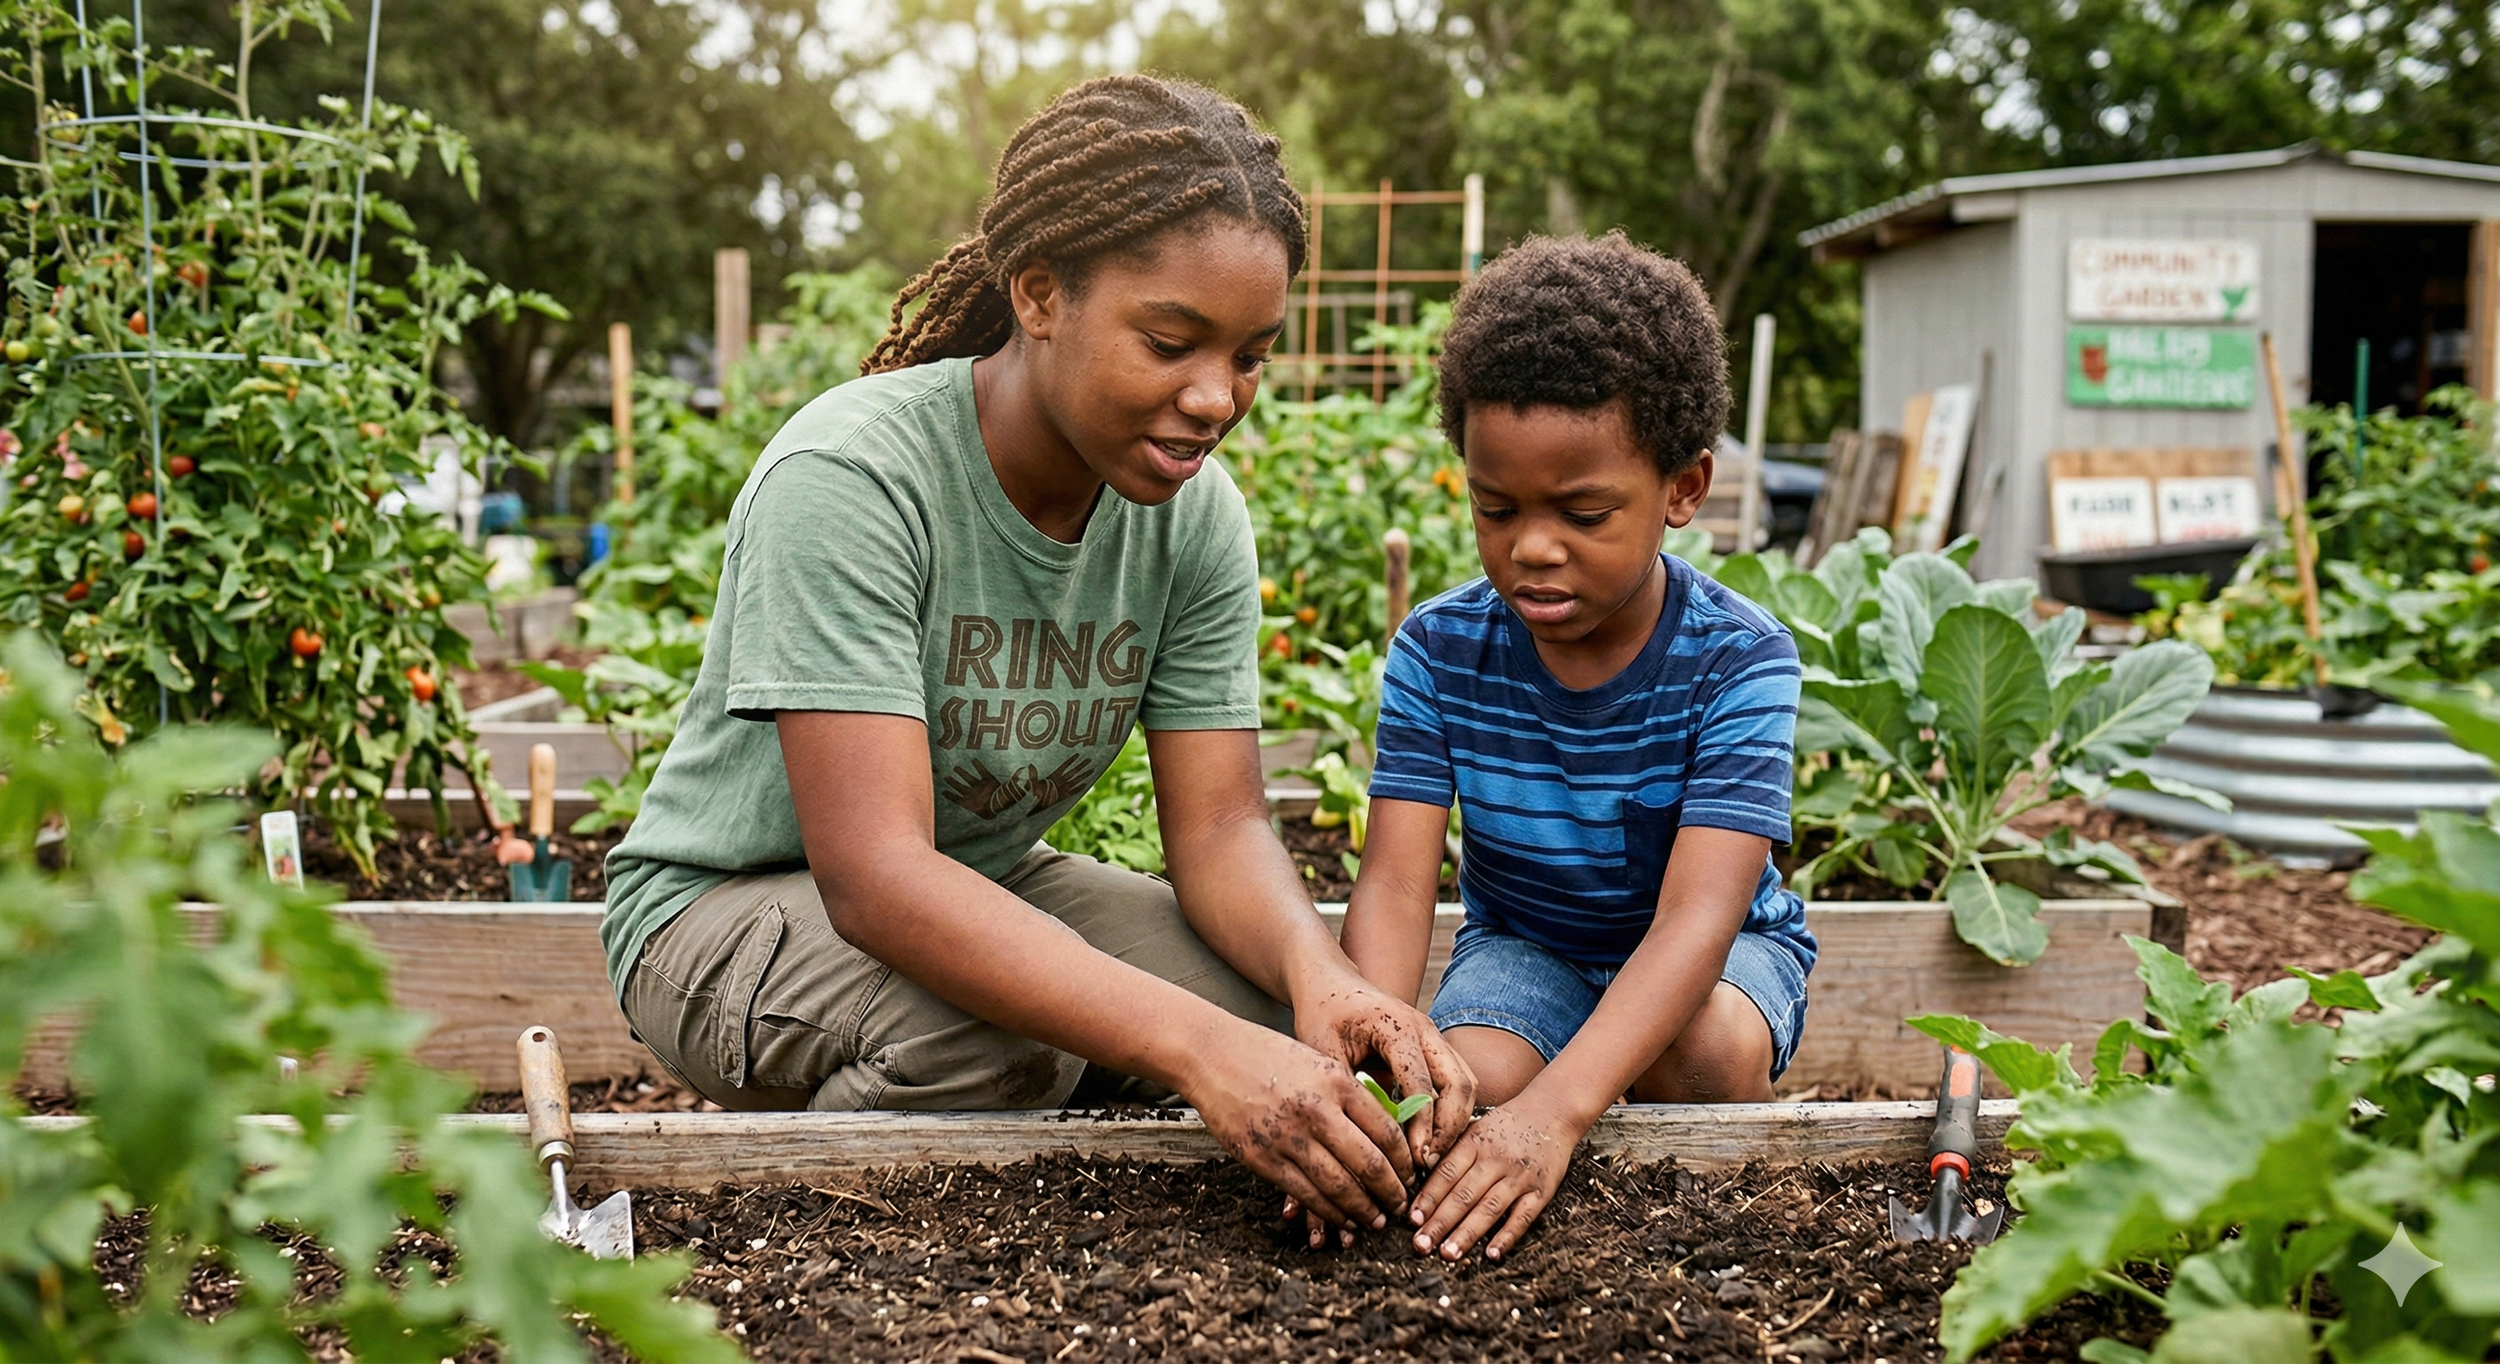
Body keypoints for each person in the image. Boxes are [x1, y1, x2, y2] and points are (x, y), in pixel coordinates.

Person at [600, 75, 1472, 1235]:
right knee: (996, 1037)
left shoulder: (1192, 515)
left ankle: (1014, 1126)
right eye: (1171, 341)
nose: (1216, 397)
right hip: (718, 916)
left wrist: (1329, 985)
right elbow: (875, 876)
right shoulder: (853, 478)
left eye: (1251, 356)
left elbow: (1219, 830)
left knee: (1278, 1020)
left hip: (983, 881)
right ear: (1040, 293)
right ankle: (790, 1215)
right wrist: (1196, 1052)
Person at [1337, 233, 1815, 1261]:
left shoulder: (1739, 661)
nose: (1531, 546)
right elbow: (1391, 883)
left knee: (1705, 1054)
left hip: (1716, 958)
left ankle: (1628, 1125)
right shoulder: (1439, 647)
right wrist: (1375, 1074)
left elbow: (1696, 917)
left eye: (1582, 511)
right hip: (1530, 948)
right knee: (1459, 1085)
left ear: (1682, 488)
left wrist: (1556, 1115)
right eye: (1494, 506)